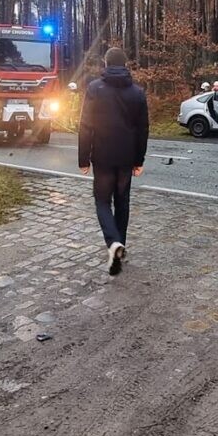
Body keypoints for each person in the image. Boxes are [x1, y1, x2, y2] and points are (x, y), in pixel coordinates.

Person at [78, 47, 150, 276]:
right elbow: (143, 130)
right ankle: (120, 245)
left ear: (106, 64)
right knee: (123, 202)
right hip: (126, 157)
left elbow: (85, 125)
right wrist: (139, 159)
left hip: (102, 156)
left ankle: (113, 243)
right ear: (126, 65)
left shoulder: (94, 89)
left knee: (102, 202)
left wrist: (83, 158)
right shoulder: (137, 93)